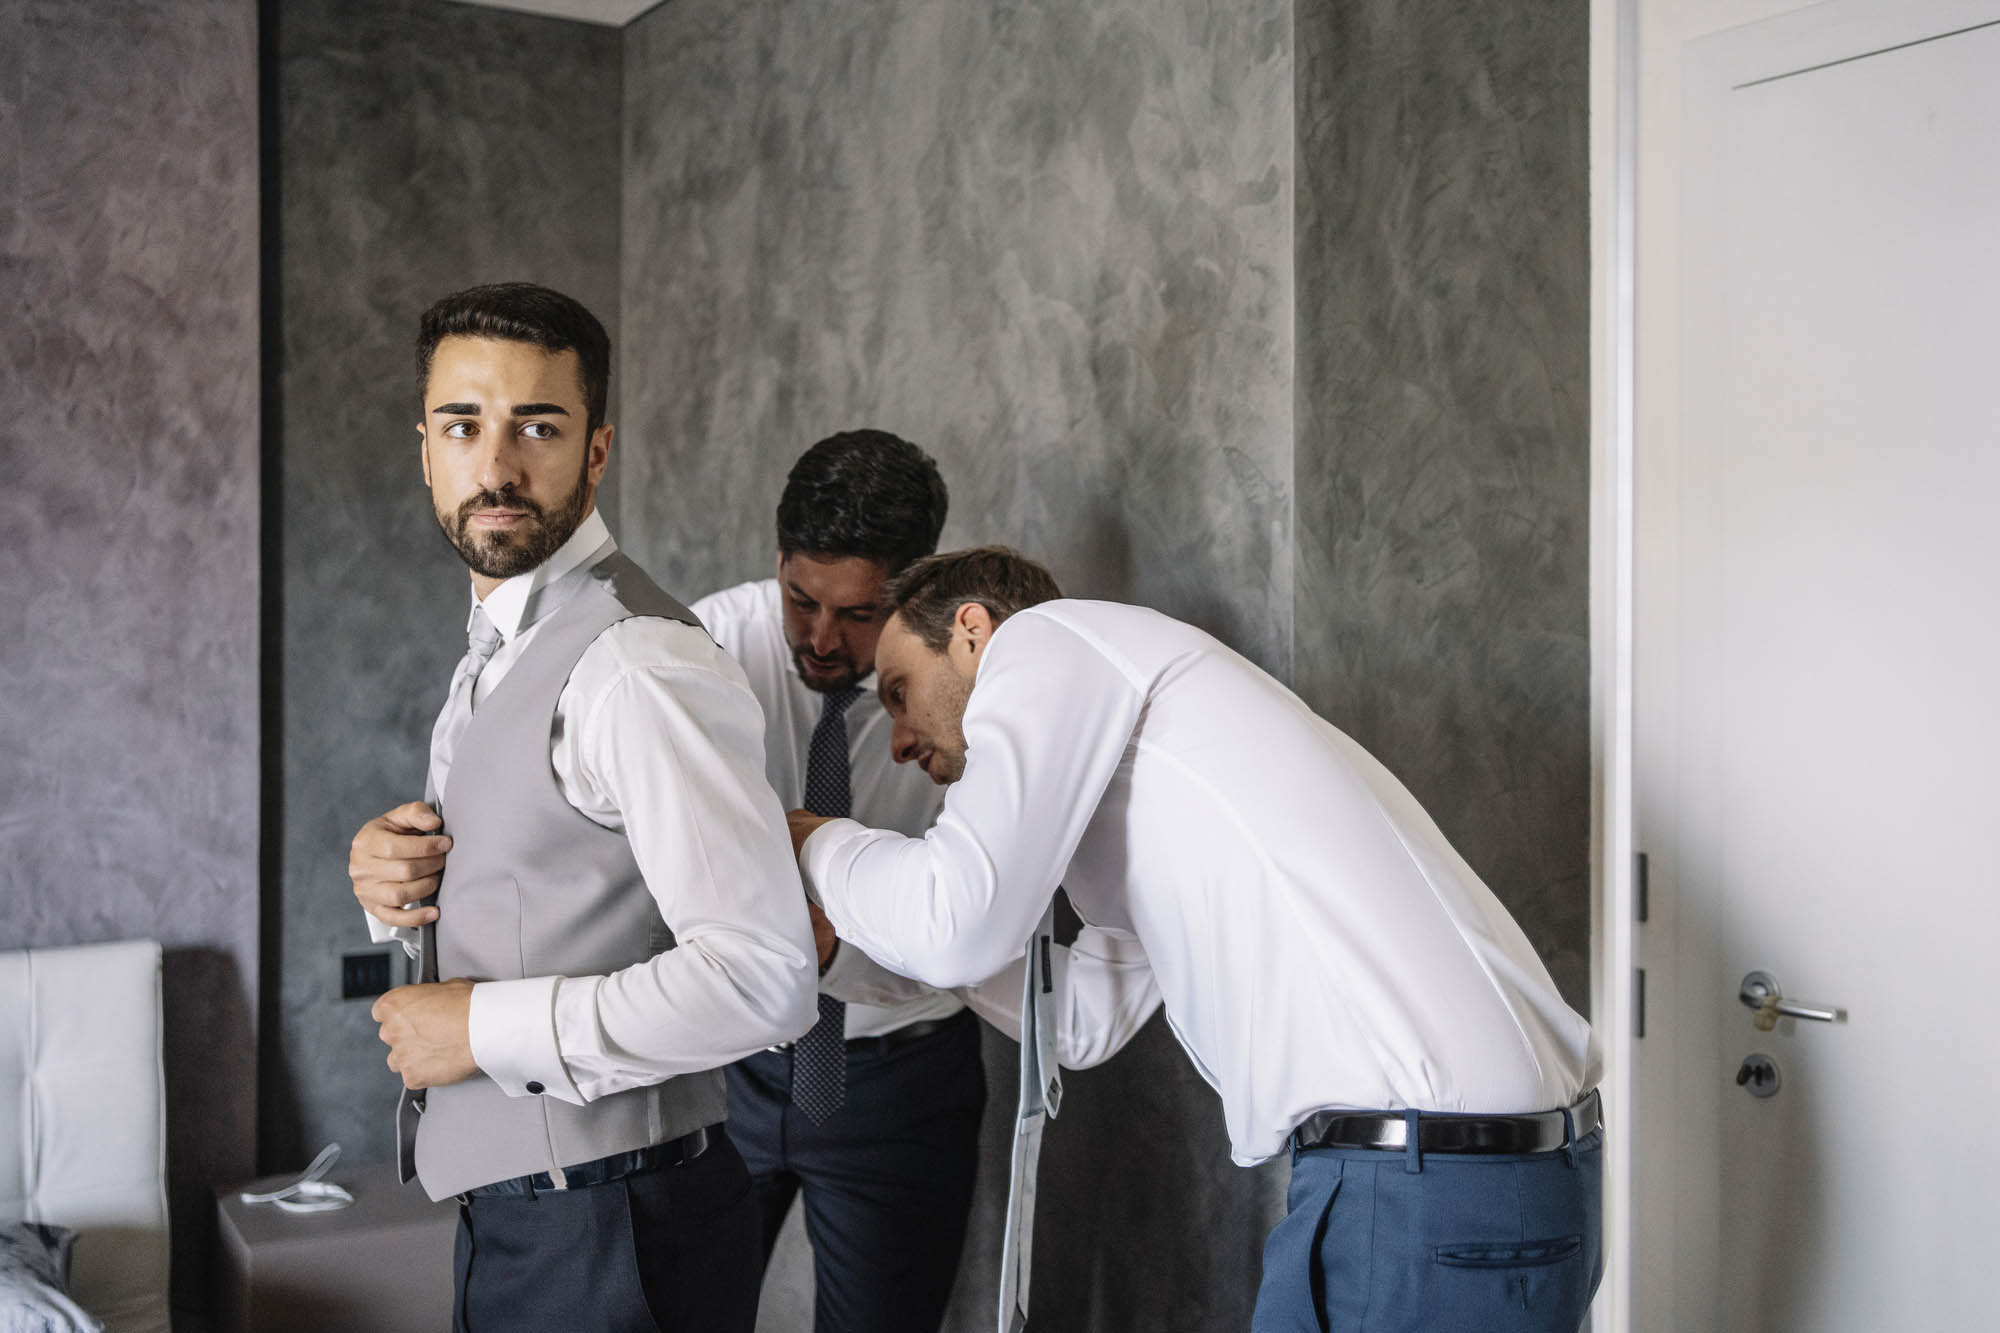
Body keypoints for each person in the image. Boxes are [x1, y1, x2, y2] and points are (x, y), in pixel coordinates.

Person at [789, 546, 1604, 1333]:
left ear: (973, 633)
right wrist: (848, 949)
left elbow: (957, 924)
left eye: (899, 691)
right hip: (1469, 1174)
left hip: (1421, 1181)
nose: (897, 739)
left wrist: (815, 843)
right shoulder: (1163, 769)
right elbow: (1084, 1016)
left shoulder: (1044, 639)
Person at [347, 282, 816, 1332]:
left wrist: (480, 1025)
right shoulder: (496, 646)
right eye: (464, 425)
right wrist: (391, 883)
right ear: (424, 447)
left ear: (594, 453)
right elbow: (542, 868)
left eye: (538, 427)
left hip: (616, 1235)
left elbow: (764, 977)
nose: (498, 464)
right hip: (531, 1224)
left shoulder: (634, 664)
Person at [686, 429, 983, 1333]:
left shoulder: (979, 690)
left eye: (856, 615)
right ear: (777, 562)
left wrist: (828, 946)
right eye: (800, 599)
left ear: (915, 591)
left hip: (901, 1081)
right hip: (723, 1066)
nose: (821, 637)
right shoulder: (701, 649)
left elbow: (968, 921)